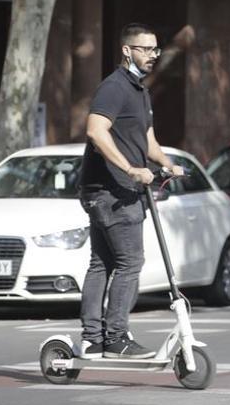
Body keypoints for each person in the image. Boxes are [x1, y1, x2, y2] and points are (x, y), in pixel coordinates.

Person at [78, 24, 184, 359]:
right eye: (146, 49)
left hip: (118, 189)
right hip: (112, 190)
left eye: (156, 49)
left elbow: (147, 140)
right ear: (127, 50)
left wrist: (167, 163)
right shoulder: (114, 88)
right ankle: (116, 338)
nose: (153, 55)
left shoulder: (140, 90)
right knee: (130, 262)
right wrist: (130, 169)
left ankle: (92, 339)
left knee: (102, 263)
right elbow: (96, 131)